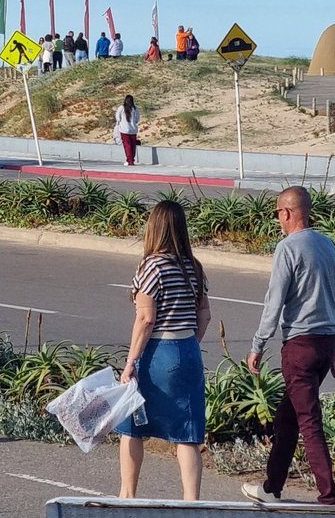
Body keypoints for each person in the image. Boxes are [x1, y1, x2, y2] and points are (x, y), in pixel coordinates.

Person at [240, 186, 335, 506]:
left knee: (308, 420)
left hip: (300, 347)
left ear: (286, 213)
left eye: (277, 214)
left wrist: (258, 344)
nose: (277, 220)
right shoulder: (328, 245)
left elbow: (274, 301)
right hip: (326, 343)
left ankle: (329, 496)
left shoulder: (287, 248)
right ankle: (272, 488)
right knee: (288, 416)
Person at [115, 200, 210, 501]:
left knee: (131, 425)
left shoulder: (152, 266)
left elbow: (145, 318)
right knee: (187, 432)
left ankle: (127, 495)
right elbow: (204, 314)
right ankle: (191, 501)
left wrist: (131, 362)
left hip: (158, 351)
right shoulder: (193, 266)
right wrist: (191, 343)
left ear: (153, 228)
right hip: (187, 349)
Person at [114, 95, 141, 166]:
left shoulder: (121, 108)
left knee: (127, 146)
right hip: (133, 130)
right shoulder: (135, 109)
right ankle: (131, 160)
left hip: (124, 130)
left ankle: (130, 161)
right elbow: (137, 119)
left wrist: (119, 122)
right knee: (133, 146)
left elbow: (118, 116)